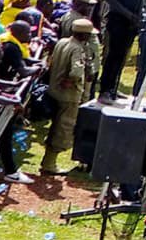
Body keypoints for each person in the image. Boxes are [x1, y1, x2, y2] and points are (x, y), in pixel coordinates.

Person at [39, 18, 101, 176]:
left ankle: (48, 161)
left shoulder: (62, 42)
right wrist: (75, 80)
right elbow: (76, 72)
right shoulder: (77, 49)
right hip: (69, 96)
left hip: (54, 91)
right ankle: (49, 163)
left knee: (55, 126)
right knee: (63, 129)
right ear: (84, 35)